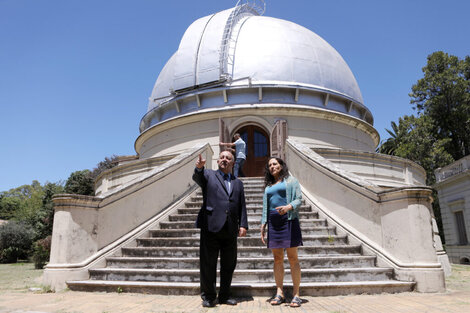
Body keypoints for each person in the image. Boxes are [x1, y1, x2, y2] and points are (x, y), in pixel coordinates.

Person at [192, 151, 248, 307]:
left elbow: (242, 205)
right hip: (211, 226)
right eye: (222, 157)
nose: (224, 160)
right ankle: (209, 296)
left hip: (230, 228)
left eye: (228, 158)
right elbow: (198, 178)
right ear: (217, 161)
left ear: (233, 163)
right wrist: (199, 169)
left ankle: (224, 295)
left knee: (229, 264)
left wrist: (243, 224)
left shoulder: (238, 183)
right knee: (208, 263)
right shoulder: (208, 175)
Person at [260, 157, 303, 308]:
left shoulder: (291, 181)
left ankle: (296, 294)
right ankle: (280, 293)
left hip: (289, 220)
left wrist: (288, 207)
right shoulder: (268, 186)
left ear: (281, 165)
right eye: (270, 165)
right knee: (277, 259)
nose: (272, 167)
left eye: (275, 164)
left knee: (293, 258)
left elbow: (299, 199)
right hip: (274, 222)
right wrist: (263, 224)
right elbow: (266, 205)